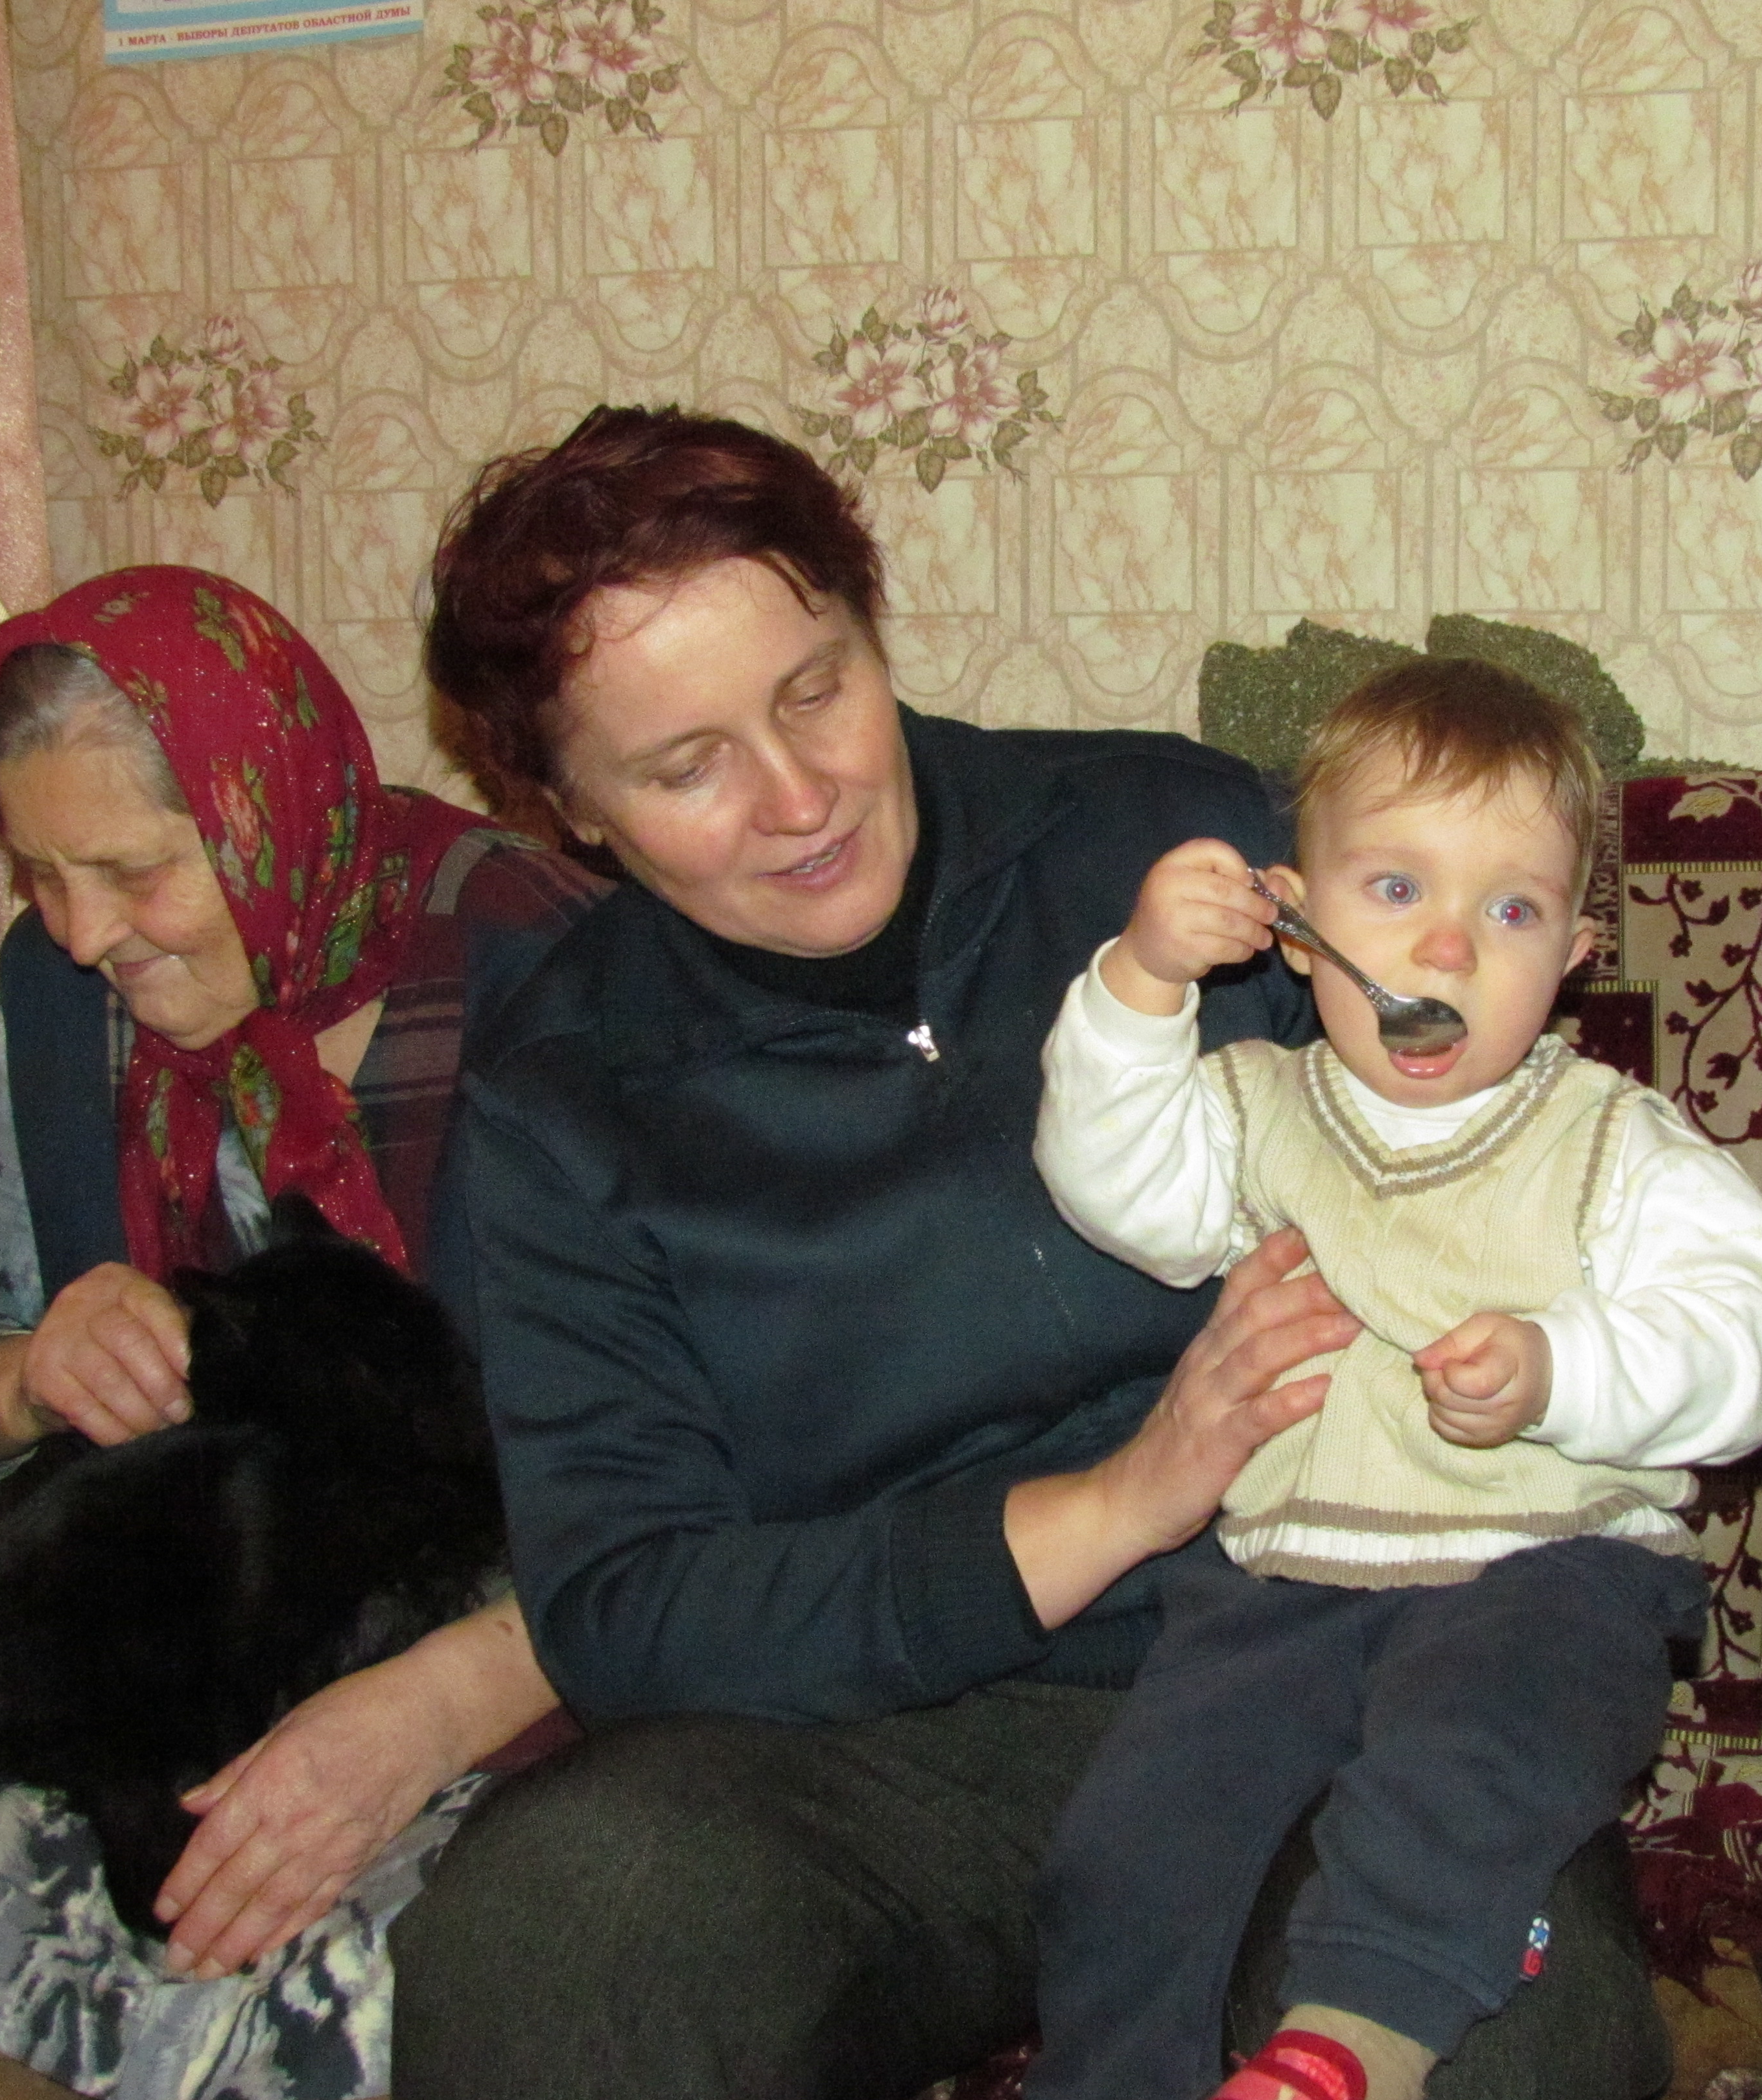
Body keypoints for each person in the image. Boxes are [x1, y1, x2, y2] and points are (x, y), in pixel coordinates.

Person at [390, 406, 1674, 2100]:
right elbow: (625, 1605)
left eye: (815, 690)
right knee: (553, 1936)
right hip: (890, 1752)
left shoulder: (1166, 839)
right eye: (687, 767)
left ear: (873, 632)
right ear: (569, 811)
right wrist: (1116, 1502)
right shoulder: (565, 1093)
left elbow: (1498, 1133)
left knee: (1501, 2036)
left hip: (1338, 1651)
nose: (798, 799)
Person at [0, 566, 604, 2100]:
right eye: (41, 876)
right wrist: (23, 1375)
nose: (82, 933)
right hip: (215, 1666)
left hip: (547, 1670)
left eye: (131, 870)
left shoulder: (550, 976)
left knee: (354, 1968)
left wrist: (436, 1704)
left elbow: (755, 1449)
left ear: (267, 813)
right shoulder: (57, 1024)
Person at [1022, 659, 1762, 2100]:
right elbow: (1112, 1187)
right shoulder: (1252, 1109)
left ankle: (1356, 2043)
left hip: (1545, 1571)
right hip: (1282, 1584)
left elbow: (1751, 1337)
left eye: (1510, 912)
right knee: (1132, 1847)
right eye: (1395, 890)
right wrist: (1142, 983)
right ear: (1294, 924)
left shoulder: (1612, 1140)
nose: (1446, 948)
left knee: (1467, 1762)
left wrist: (1564, 1369)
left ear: (1574, 953)